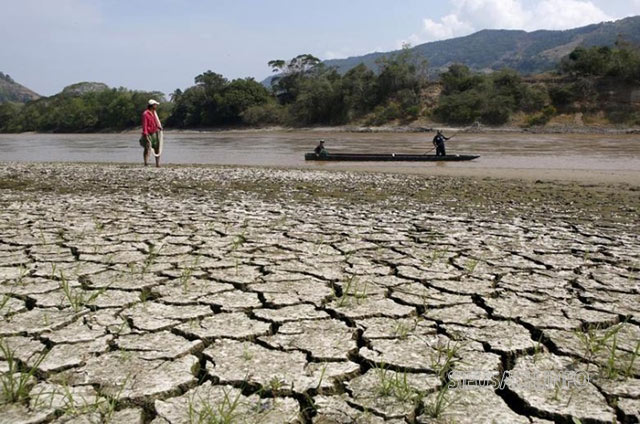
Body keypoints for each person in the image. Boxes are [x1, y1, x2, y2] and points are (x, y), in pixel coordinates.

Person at [140, 99, 163, 167]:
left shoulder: (154, 113)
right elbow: (145, 125)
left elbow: (156, 122)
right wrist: (145, 134)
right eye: (155, 105)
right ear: (152, 105)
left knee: (157, 148)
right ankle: (146, 163)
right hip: (148, 133)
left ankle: (157, 164)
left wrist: (159, 127)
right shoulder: (145, 114)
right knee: (147, 148)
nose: (156, 106)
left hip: (155, 133)